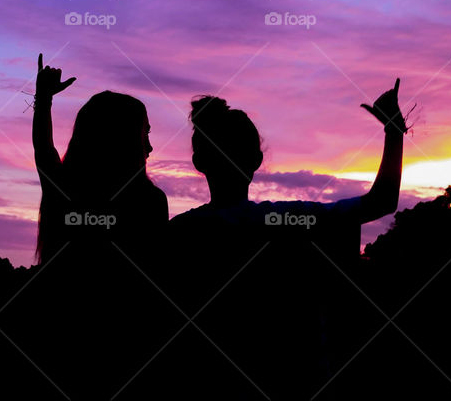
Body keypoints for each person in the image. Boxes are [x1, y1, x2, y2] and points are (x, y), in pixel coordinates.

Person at [161, 79, 406, 399]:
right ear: (257, 160)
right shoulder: (287, 221)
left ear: (198, 162)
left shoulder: (180, 233)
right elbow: (381, 201)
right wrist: (393, 130)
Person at [32, 53, 168, 264]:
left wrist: (43, 99)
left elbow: (43, 149)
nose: (149, 147)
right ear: (122, 141)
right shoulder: (149, 201)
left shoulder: (62, 190)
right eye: (144, 135)